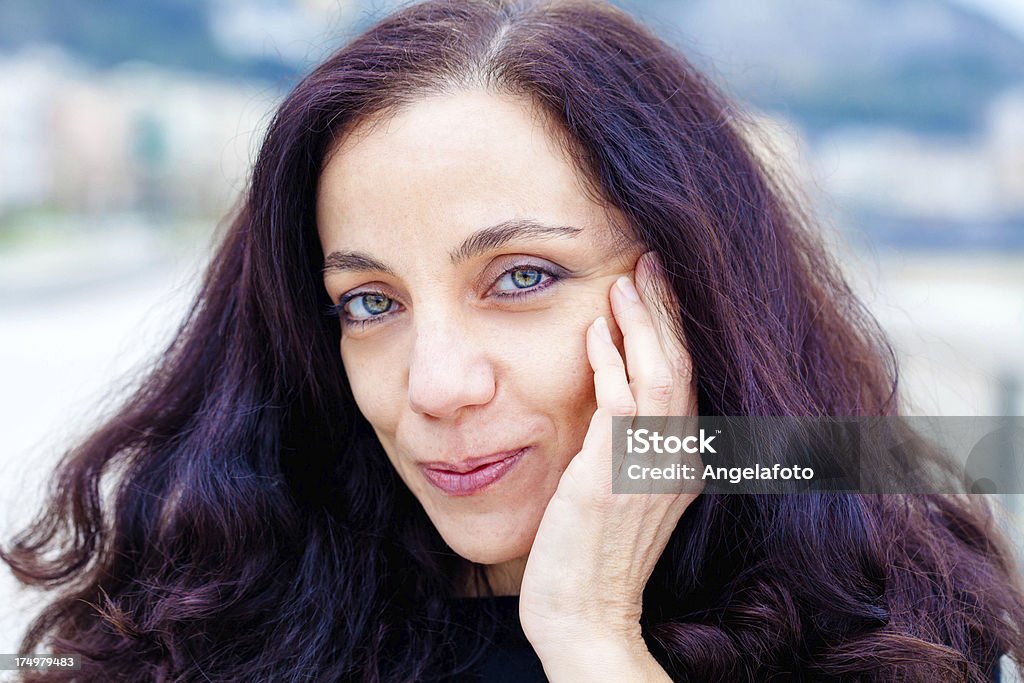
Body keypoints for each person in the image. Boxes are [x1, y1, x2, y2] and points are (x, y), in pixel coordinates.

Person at [4, 0, 1023, 680]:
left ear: (693, 293)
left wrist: (590, 632)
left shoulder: (888, 615)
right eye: (369, 302)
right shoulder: (212, 610)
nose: (434, 386)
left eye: (521, 278)